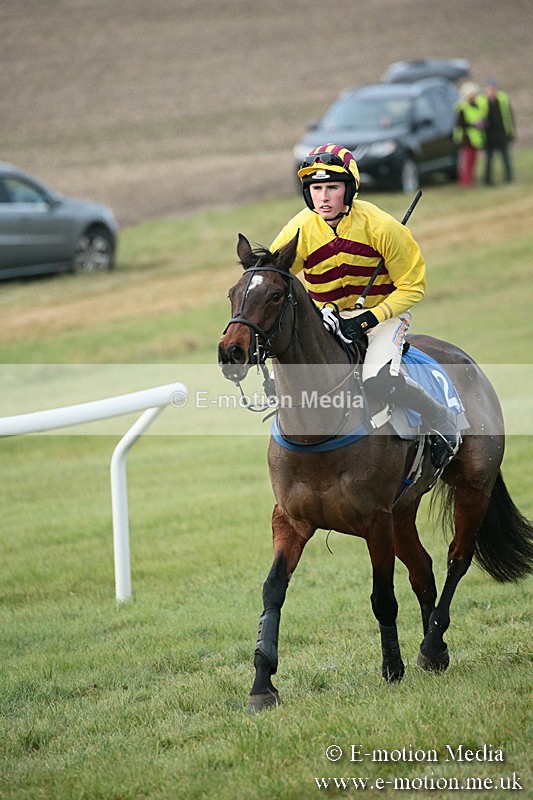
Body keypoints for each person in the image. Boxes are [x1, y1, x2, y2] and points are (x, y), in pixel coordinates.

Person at [270, 143, 459, 468]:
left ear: (350, 189)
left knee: (377, 379)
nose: (324, 197)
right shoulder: (299, 229)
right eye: (316, 188)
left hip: (384, 318)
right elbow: (275, 277)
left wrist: (370, 317)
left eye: (332, 187)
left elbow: (413, 286)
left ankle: (440, 420)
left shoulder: (383, 227)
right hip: (326, 320)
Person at [482, 78, 515, 185]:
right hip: (489, 136)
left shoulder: (503, 100)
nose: (491, 91)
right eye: (489, 89)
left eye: (493, 88)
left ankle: (509, 178)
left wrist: (510, 132)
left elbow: (509, 117)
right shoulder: (483, 102)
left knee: (506, 158)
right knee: (489, 160)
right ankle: (487, 181)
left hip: (501, 134)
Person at [453, 82, 487, 187]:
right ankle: (465, 182)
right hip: (465, 139)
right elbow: (460, 124)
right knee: (466, 162)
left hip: (475, 139)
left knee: (473, 161)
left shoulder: (476, 106)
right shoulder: (462, 108)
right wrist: (473, 124)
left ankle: (470, 180)